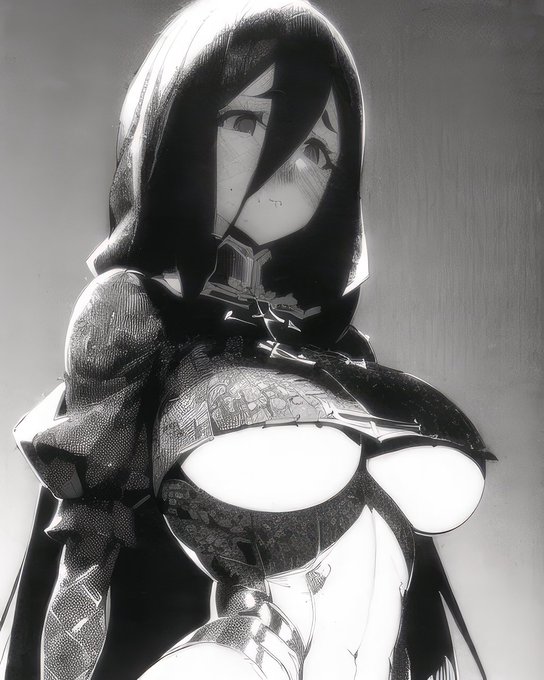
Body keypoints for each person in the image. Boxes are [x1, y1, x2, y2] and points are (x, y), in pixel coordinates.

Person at [5, 1, 494, 678]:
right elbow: (92, 526)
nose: (288, 164)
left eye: (318, 149)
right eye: (245, 120)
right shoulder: (134, 308)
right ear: (175, 125)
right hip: (165, 604)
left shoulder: (339, 351)